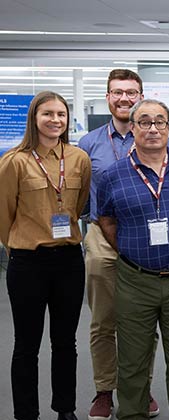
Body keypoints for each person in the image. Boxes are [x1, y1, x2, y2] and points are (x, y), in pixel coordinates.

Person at [97, 99, 169, 420]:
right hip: (135, 280)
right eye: (144, 122)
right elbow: (106, 221)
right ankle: (132, 414)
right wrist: (133, 251)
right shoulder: (112, 176)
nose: (153, 128)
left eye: (160, 121)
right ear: (132, 128)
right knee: (132, 359)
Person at [0, 91, 91, 420]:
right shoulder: (14, 161)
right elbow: (3, 214)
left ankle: (65, 409)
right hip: (28, 262)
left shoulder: (78, 158)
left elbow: (78, 206)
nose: (55, 120)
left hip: (68, 260)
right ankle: (27, 413)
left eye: (61, 114)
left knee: (66, 342)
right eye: (47, 114)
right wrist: (21, 244)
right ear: (34, 119)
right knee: (26, 344)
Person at [77, 69, 160, 420]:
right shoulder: (89, 143)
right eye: (117, 92)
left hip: (144, 236)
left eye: (131, 92)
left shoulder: (158, 138)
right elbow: (80, 197)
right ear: (108, 97)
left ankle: (141, 386)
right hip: (101, 238)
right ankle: (103, 391)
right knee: (104, 321)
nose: (124, 98)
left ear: (141, 95)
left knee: (144, 320)